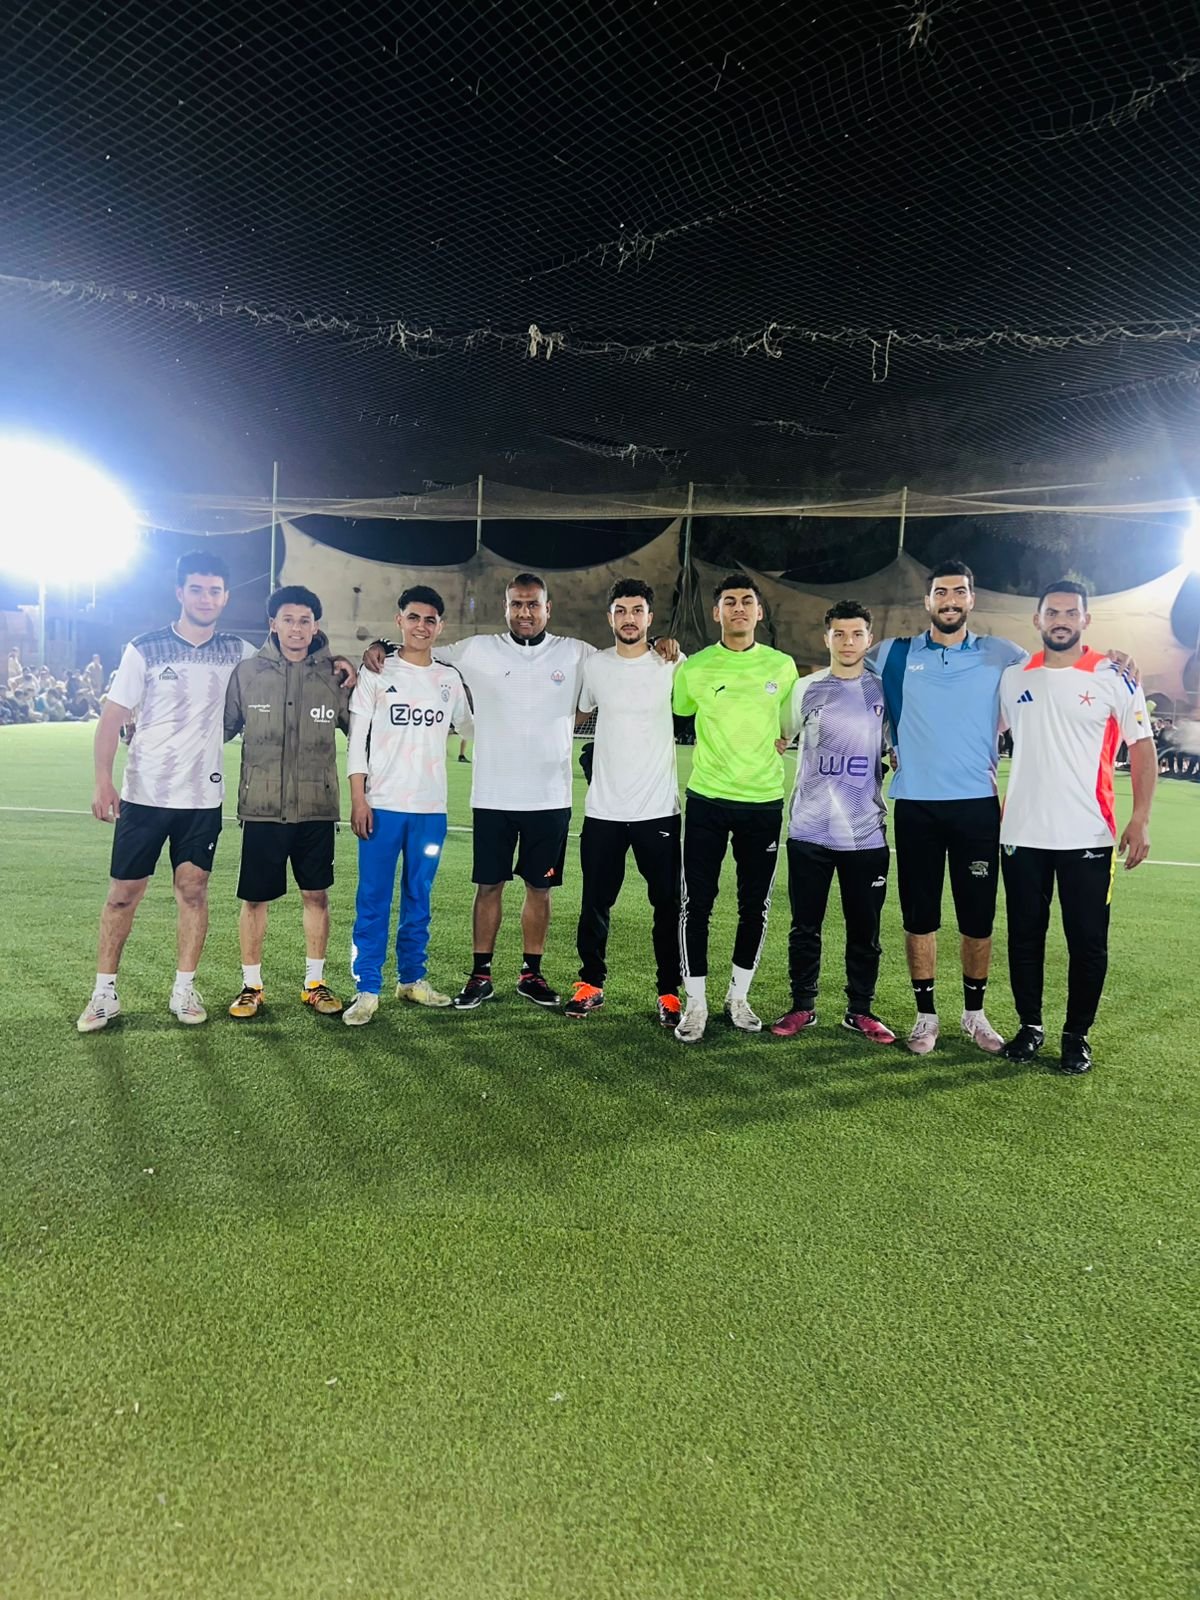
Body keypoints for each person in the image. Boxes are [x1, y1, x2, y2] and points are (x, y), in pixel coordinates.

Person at [77, 552, 355, 1032]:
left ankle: (184, 990)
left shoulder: (238, 654)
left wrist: (338, 657)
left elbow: (295, 654)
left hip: (202, 799)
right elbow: (112, 717)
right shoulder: (145, 648)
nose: (205, 599)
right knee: (123, 894)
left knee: (193, 892)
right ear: (180, 593)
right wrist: (103, 779)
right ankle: (103, 993)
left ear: (225, 597)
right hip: (144, 793)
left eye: (214, 591)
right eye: (197, 589)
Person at [997, 582, 1156, 1074]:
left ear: (1086, 620)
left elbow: (1142, 747)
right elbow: (982, 734)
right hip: (1021, 832)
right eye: (1052, 612)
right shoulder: (1012, 677)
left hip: (1088, 834)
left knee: (1087, 941)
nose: (1061, 620)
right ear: (1038, 620)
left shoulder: (1115, 676)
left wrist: (1140, 817)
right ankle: (1030, 1027)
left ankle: (1076, 1036)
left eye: (1071, 612)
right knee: (1024, 937)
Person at [672, 575, 800, 1043]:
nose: (739, 608)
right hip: (707, 799)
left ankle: (738, 997)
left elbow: (790, 724)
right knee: (696, 904)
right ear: (717, 612)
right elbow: (680, 711)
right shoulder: (696, 668)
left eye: (748, 601)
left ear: (759, 612)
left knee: (754, 906)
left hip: (763, 801)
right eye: (730, 601)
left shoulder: (782, 666)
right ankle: (696, 1003)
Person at [343, 587, 471, 1025]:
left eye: (430, 620)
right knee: (373, 898)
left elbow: (471, 727)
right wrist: (358, 798)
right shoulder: (376, 671)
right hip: (382, 806)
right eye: (413, 617)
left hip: (431, 811)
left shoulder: (449, 679)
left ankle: (412, 979)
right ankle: (367, 988)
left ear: (441, 626)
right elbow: (356, 740)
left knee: (420, 896)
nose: (421, 626)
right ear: (399, 621)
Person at [770, 600, 896, 1044]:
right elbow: (779, 737)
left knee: (865, 930)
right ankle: (802, 1006)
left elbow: (897, 746)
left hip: (865, 832)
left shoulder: (882, 692)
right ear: (826, 638)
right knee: (805, 927)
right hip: (810, 829)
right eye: (839, 634)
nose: (847, 642)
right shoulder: (805, 689)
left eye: (856, 634)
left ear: (869, 638)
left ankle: (860, 1010)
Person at [223, 585, 351, 1020]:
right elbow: (218, 728)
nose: (296, 629)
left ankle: (315, 983)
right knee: (254, 899)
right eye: (288, 620)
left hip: (316, 808)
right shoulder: (247, 673)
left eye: (305, 621)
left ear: (315, 626)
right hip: (262, 808)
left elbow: (363, 729)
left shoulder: (334, 676)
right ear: (273, 624)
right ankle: (251, 986)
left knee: (316, 895)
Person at [565, 579, 684, 1027]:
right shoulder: (595, 665)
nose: (629, 618)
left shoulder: (672, 662)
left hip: (658, 810)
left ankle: (669, 991)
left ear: (650, 617)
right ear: (610, 616)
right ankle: (590, 983)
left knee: (667, 905)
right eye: (621, 610)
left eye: (637, 610)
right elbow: (579, 709)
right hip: (604, 810)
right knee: (595, 902)